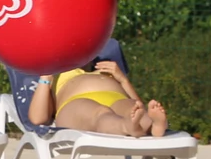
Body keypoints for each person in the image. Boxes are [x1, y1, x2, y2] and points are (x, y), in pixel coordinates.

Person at [28, 52, 169, 137]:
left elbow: (138, 105)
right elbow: (37, 118)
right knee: (100, 113)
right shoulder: (57, 73)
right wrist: (45, 78)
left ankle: (154, 126)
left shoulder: (104, 68)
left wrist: (122, 79)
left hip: (115, 98)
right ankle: (127, 126)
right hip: (76, 104)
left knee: (132, 108)